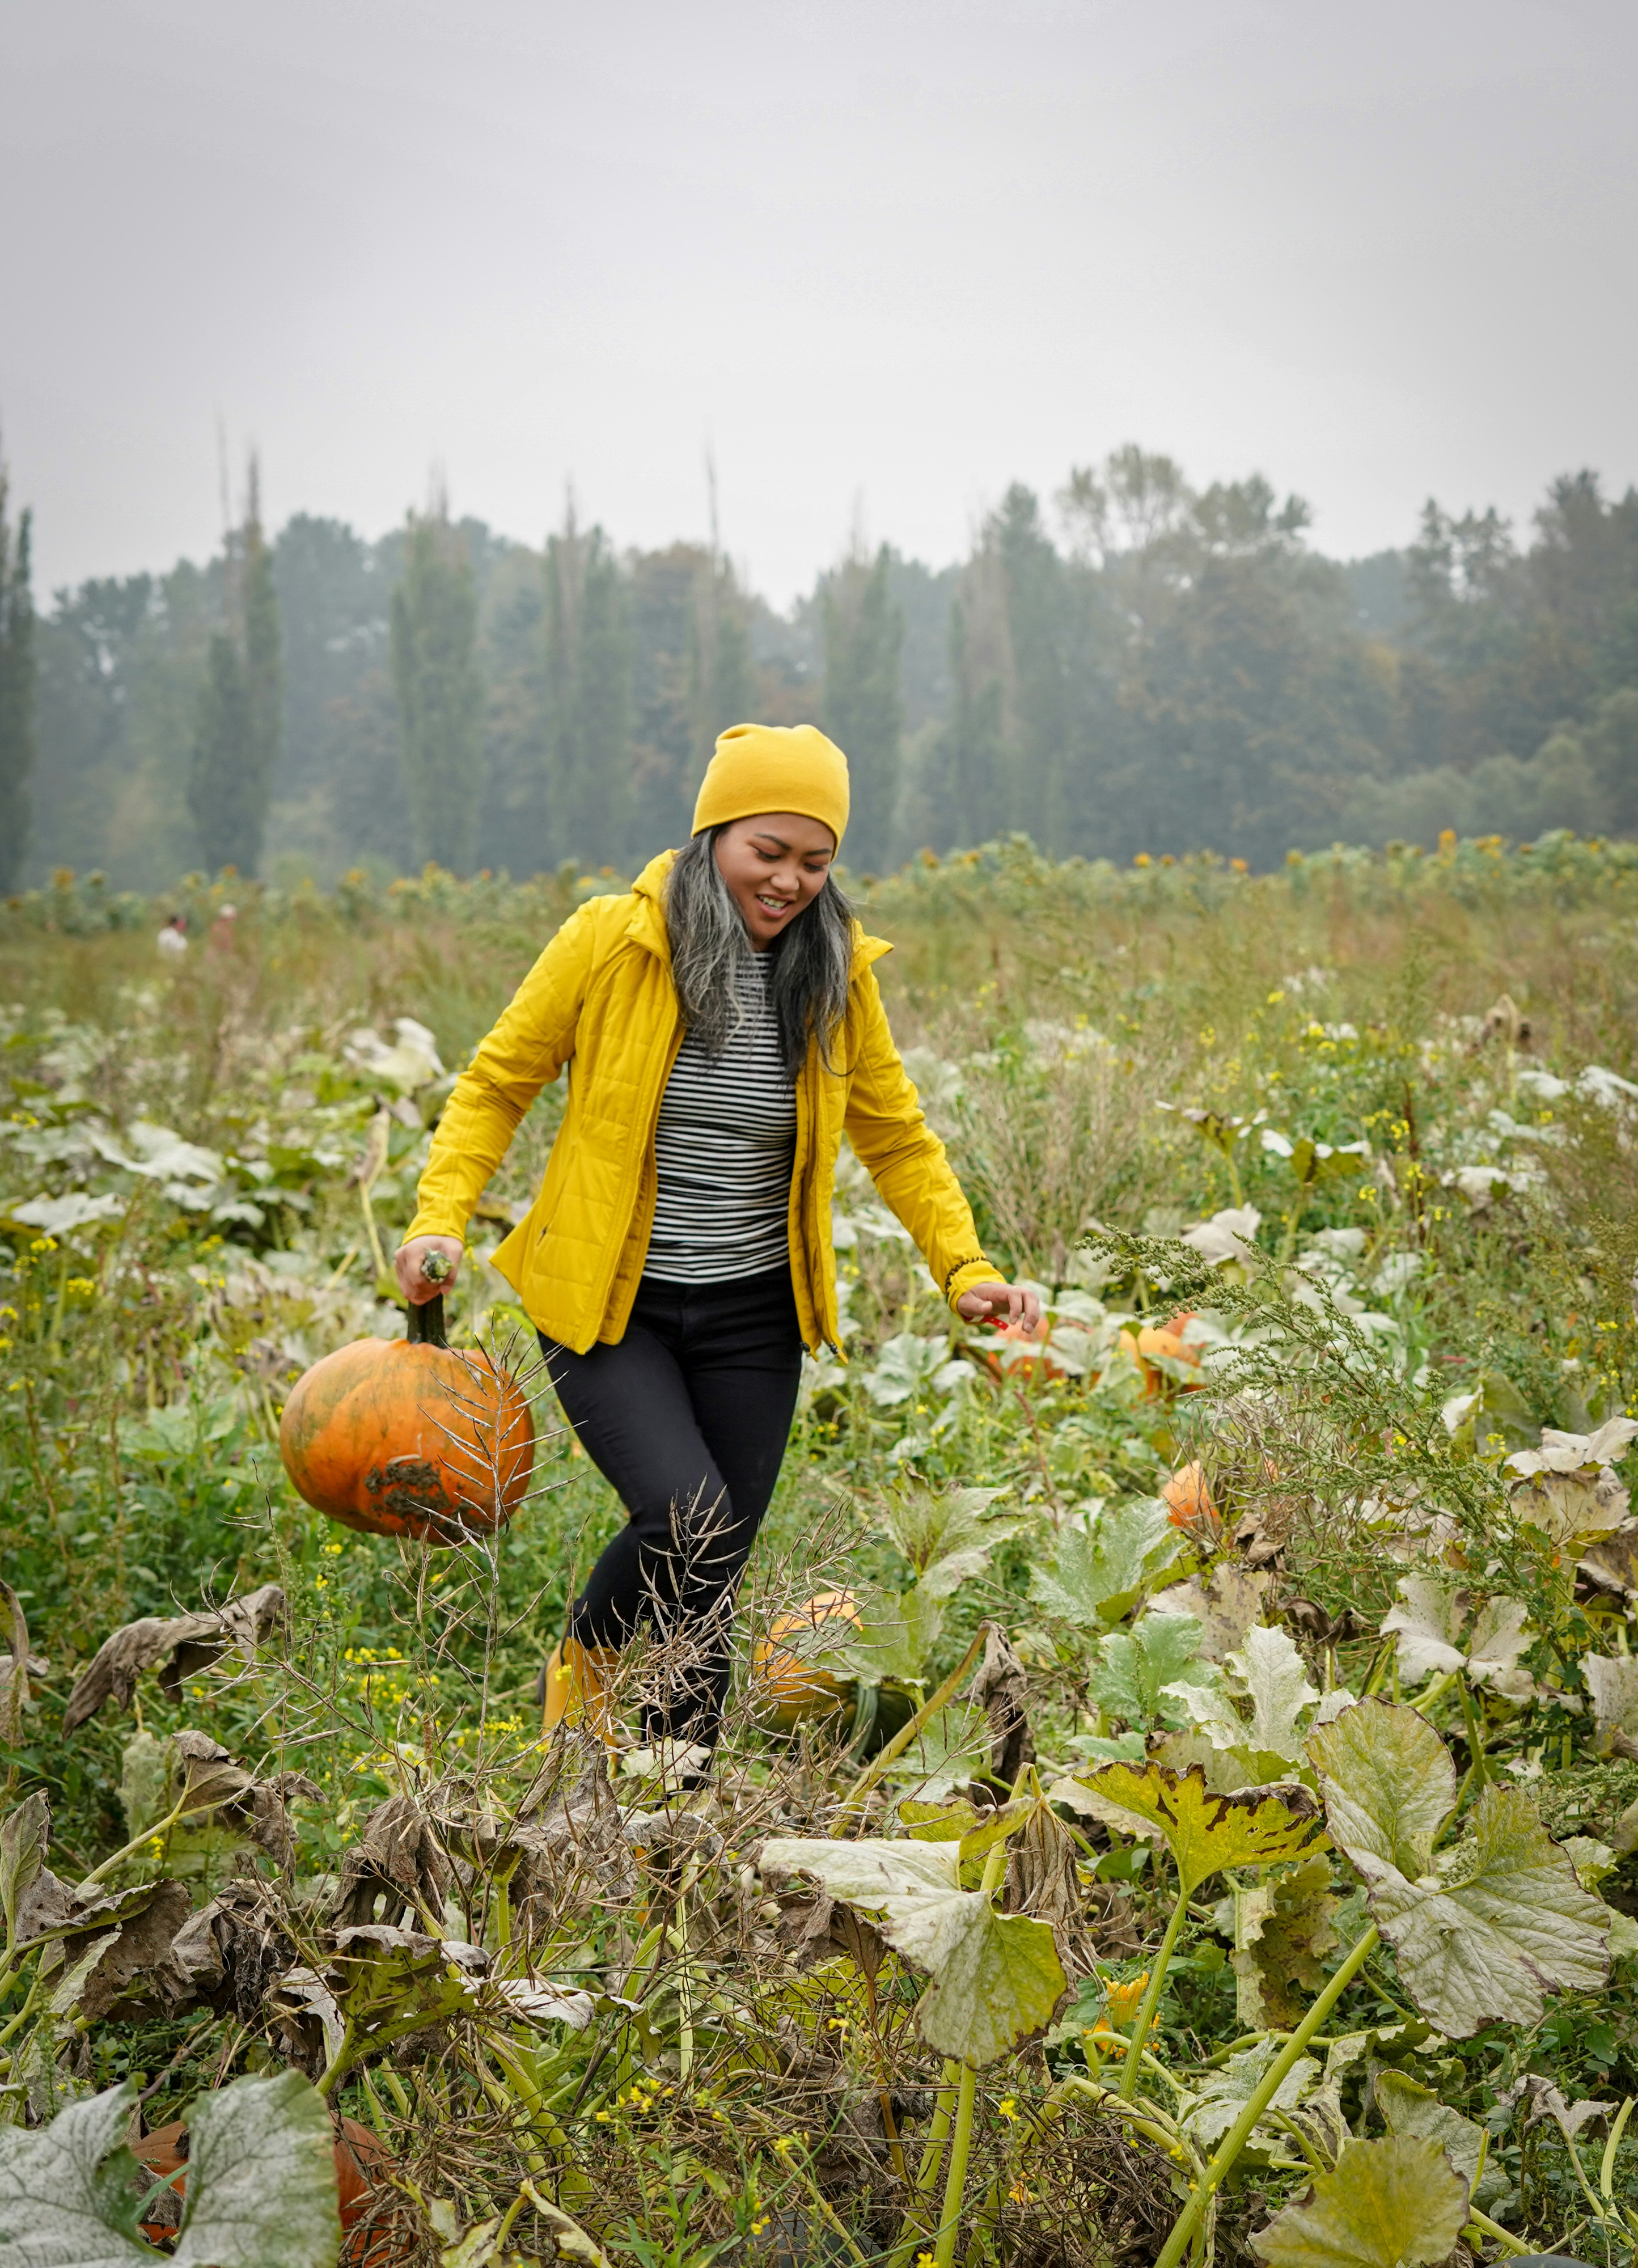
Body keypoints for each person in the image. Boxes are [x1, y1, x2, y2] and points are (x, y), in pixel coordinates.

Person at [395, 722, 1040, 1761]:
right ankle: (582, 1704)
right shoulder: (613, 939)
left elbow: (898, 1136)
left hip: (752, 1310)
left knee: (715, 1566)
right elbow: (495, 1083)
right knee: (686, 1519)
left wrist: (965, 1268)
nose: (789, 882)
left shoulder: (835, 972)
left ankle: (679, 1793)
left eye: (814, 860)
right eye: (766, 852)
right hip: (611, 1304)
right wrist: (439, 1220)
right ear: (713, 836)